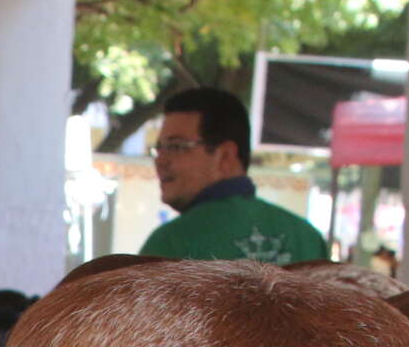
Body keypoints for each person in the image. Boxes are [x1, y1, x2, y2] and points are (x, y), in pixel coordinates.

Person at [138, 86, 330, 266]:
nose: (160, 160)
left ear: (225, 156)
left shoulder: (170, 244)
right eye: (159, 148)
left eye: (176, 147)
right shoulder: (306, 237)